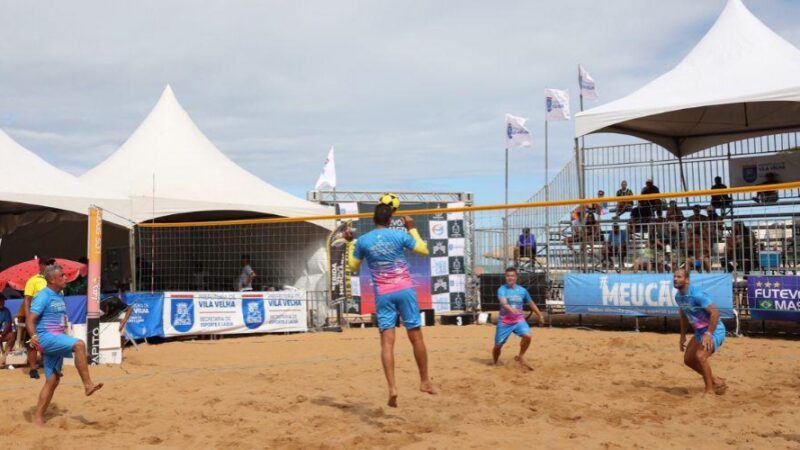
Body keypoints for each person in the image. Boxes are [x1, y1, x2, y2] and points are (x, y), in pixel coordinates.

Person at [344, 203, 435, 407]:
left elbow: (353, 266)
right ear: (390, 220)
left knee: (387, 343)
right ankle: (424, 381)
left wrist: (350, 243)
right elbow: (423, 249)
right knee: (416, 337)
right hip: (404, 289)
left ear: (373, 219)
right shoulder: (398, 235)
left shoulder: (363, 240)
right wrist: (411, 227)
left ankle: (392, 388)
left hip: (383, 294)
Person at [27, 264, 103, 426]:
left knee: (53, 380)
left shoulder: (59, 294)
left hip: (58, 336)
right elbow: (30, 319)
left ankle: (38, 417)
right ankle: (88, 385)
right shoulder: (43, 296)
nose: (65, 277)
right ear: (53, 280)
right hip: (47, 337)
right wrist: (33, 335)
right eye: (62, 276)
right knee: (79, 345)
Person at [673, 269, 727, 395]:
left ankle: (709, 391)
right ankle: (714, 380)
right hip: (699, 332)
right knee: (688, 360)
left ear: (687, 280)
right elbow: (684, 316)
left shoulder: (697, 295)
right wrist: (682, 336)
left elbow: (715, 313)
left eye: (679, 277)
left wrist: (708, 334)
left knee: (700, 356)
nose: (675, 279)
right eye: (674, 277)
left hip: (714, 330)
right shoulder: (678, 297)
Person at [492, 267, 544, 370]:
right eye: (508, 276)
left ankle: (520, 356)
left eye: (512, 276)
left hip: (518, 320)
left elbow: (531, 303)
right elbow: (504, 303)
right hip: (504, 322)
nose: (510, 278)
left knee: (528, 336)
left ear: (516, 277)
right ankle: (495, 362)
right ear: (505, 277)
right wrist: (510, 309)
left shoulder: (522, 290)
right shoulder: (502, 289)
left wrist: (540, 315)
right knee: (498, 346)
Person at [20, 256, 54, 379]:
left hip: (51, 317)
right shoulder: (33, 280)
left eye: (51, 264)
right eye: (47, 264)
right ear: (40, 266)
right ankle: (33, 369)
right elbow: (27, 299)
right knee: (33, 343)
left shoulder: (54, 280)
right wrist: (28, 316)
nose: (49, 266)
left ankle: (49, 367)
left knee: (50, 342)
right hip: (36, 316)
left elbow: (59, 298)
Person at [0, 295, 14, 366]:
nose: (2, 302)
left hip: (1, 334)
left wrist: (2, 334)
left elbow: (8, 325)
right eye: (0, 301)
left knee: (12, 335)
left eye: (3, 301)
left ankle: (5, 357)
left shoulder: (6, 311)